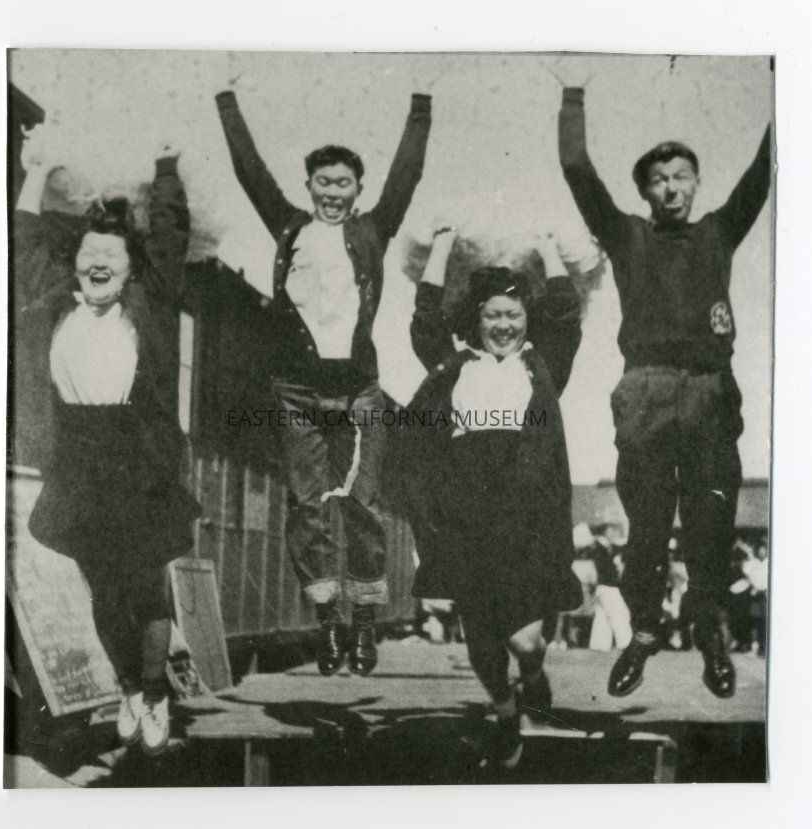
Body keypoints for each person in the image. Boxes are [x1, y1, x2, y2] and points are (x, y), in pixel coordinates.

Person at [557, 75, 772, 698]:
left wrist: (791, 78)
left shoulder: (718, 233)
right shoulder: (628, 235)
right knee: (647, 527)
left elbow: (765, 170)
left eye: (682, 176)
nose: (672, 188)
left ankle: (710, 631)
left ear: (697, 183)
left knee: (711, 523)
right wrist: (573, 92)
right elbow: (576, 168)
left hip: (708, 392)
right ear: (644, 191)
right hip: (646, 393)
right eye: (659, 179)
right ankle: (645, 631)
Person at [215, 85, 432, 676]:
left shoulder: (372, 231)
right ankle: (327, 622)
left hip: (359, 389)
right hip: (296, 390)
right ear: (309, 186)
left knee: (362, 505)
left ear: (358, 190)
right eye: (323, 182)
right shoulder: (291, 228)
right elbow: (250, 172)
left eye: (344, 184)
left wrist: (421, 103)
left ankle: (365, 621)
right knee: (307, 505)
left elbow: (407, 178)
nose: (333, 193)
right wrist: (227, 100)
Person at [15, 127, 202, 755]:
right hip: (77, 456)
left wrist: (166, 166)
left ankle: (154, 692)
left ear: (129, 267)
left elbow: (169, 239)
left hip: (137, 456)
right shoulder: (54, 307)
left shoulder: (149, 307)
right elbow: (23, 246)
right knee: (102, 587)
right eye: (88, 253)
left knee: (145, 584)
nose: (98, 262)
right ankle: (127, 687)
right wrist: (35, 173)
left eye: (111, 255)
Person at [401, 227, 583, 769]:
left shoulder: (543, 366)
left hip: (527, 520)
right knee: (481, 640)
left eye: (513, 315)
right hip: (466, 520)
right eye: (492, 315)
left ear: (527, 318)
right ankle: (506, 714)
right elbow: (425, 321)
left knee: (525, 641)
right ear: (475, 320)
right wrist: (440, 246)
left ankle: (533, 674)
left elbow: (566, 316)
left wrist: (549, 248)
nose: (503, 325)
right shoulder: (453, 366)